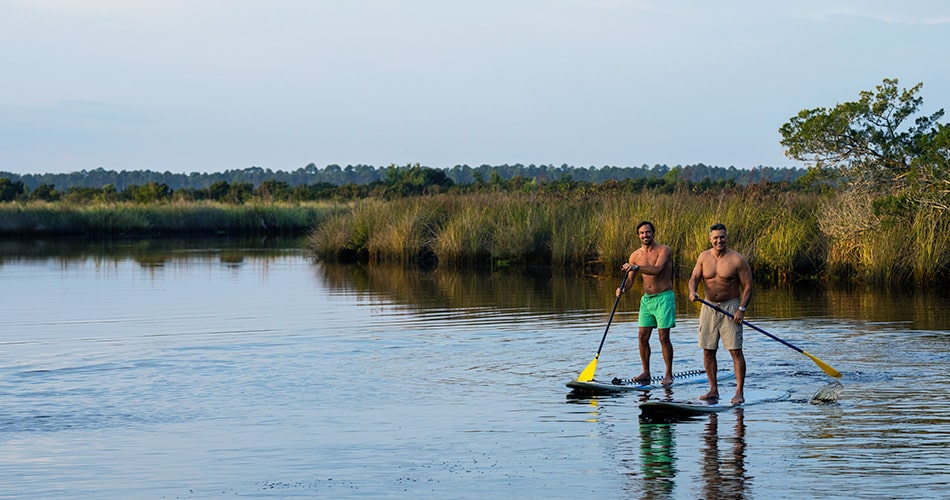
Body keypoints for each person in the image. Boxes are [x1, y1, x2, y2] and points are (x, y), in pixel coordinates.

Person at [687, 223, 753, 405]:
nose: (719, 240)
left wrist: (741, 309)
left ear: (726, 238)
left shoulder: (737, 259)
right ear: (710, 239)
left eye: (722, 237)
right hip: (708, 306)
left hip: (730, 307)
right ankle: (713, 389)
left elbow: (748, 285)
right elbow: (694, 278)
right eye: (715, 238)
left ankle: (739, 392)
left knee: (735, 351)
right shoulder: (703, 257)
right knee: (708, 351)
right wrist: (693, 291)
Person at [615, 221, 676, 386]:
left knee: (664, 337)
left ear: (653, 233)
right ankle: (646, 372)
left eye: (648, 232)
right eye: (642, 233)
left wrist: (635, 267)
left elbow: (657, 269)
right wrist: (622, 289)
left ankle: (668, 373)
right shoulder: (635, 255)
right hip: (647, 300)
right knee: (642, 336)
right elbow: (629, 280)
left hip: (664, 297)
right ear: (638, 235)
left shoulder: (664, 250)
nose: (645, 235)